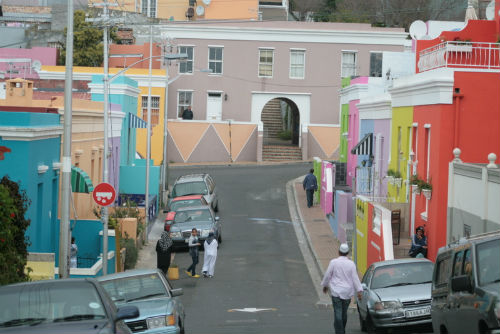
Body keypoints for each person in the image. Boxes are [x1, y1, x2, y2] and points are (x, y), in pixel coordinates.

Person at [321, 243, 363, 334]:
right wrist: (359, 291)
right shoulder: (351, 264)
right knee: (343, 313)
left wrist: (325, 285)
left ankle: (339, 331)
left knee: (338, 313)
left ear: (339, 252)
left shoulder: (333, 262)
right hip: (347, 293)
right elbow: (355, 278)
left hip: (336, 292)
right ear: (347, 253)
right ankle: (341, 330)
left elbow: (328, 275)